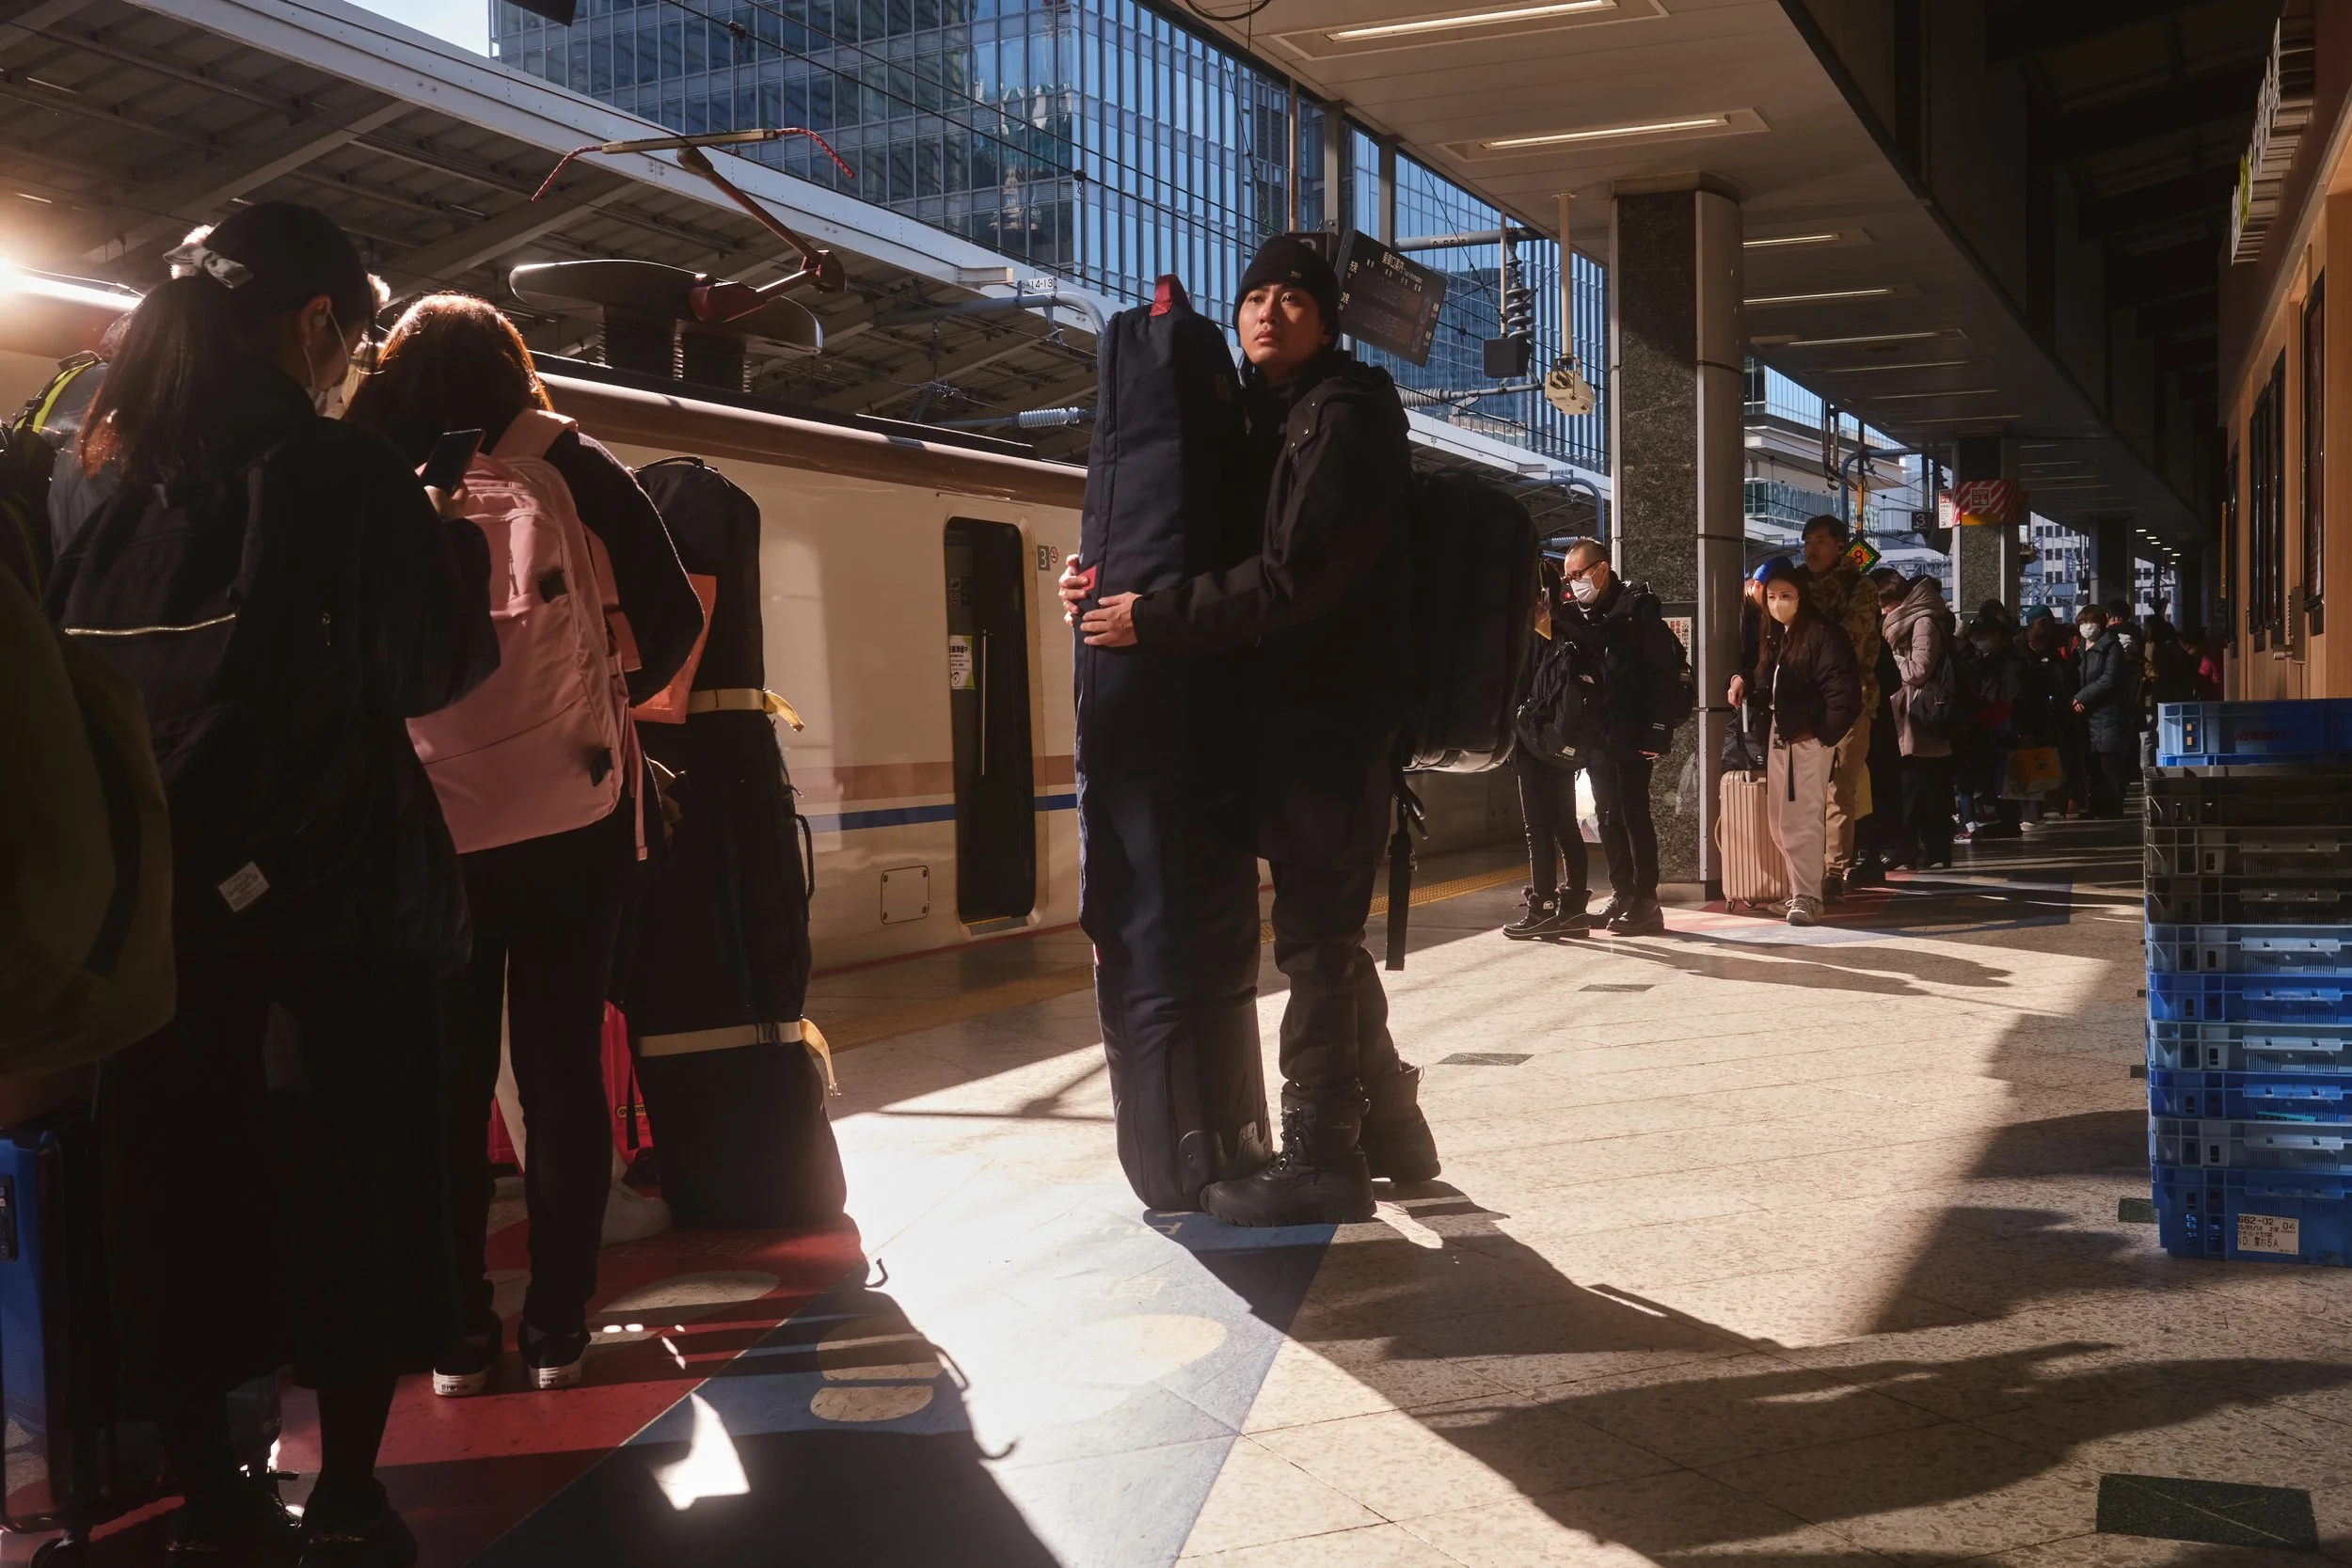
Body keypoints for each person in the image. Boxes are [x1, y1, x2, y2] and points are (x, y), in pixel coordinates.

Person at [48, 202, 498, 1565]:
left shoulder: (91, 472)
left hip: (146, 923)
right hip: (325, 910)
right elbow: (432, 668)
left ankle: (211, 1494)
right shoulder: (338, 470)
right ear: (314, 322)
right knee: (348, 1194)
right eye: (352, 339)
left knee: (171, 1204)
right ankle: (350, 1494)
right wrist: (449, 543)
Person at [345, 294, 704, 1397]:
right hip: (570, 818)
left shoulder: (364, 472)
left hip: (430, 826)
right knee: (557, 1076)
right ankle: (556, 1325)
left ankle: (458, 1335)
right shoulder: (573, 462)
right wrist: (596, 692)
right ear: (516, 368)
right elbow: (678, 620)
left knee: (445, 1087)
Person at [1067, 233, 1433, 1227]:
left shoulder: (1344, 416)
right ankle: (1394, 1125)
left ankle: (1323, 1151)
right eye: (1254, 297)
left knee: (1316, 943)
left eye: (1291, 299)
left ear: (1326, 318)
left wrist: (1153, 617)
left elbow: (1291, 577)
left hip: (1330, 721)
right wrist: (1099, 580)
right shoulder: (1270, 419)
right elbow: (1201, 541)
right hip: (1286, 721)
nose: (1267, 311)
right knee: (1327, 940)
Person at [1550, 536, 1684, 935]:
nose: (1574, 583)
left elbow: (1662, 676)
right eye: (1568, 577)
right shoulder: (1578, 615)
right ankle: (1622, 890)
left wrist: (1658, 731)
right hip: (1597, 735)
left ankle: (1646, 899)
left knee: (1633, 814)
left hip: (1632, 733)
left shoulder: (1636, 612)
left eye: (1579, 574)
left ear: (1603, 570)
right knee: (1605, 815)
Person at [1744, 561, 1859, 926]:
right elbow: (1766, 677)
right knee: (1780, 822)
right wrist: (1742, 681)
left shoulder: (1823, 634)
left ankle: (1809, 897)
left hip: (1806, 740)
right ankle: (1799, 890)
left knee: (1802, 819)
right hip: (1783, 733)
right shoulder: (1779, 632)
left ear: (1801, 596)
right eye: (1772, 596)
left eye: (1786, 596)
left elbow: (1844, 695)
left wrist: (1820, 732)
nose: (1777, 603)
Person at [1506, 558, 1593, 939]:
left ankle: (1542, 906)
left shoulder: (1532, 633)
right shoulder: (1571, 627)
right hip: (1562, 743)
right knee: (1564, 826)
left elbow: (1518, 691)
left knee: (1537, 828)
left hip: (1532, 742)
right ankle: (1573, 908)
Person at [1794, 515, 1881, 898]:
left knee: (1838, 789)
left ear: (1840, 546)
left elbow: (1853, 643)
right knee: (1799, 790)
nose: (1811, 548)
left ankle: (1832, 869)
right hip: (1798, 701)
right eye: (1807, 540)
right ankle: (1802, 865)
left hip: (1850, 700)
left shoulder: (1859, 587)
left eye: (1821, 541)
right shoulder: (1793, 583)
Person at [1878, 571, 1955, 869]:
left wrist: (1890, 657)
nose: (1883, 611)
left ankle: (1917, 849)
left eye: (1886, 605)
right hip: (1909, 715)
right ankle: (1926, 850)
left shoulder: (1922, 621)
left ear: (1901, 602)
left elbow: (1918, 670)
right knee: (1919, 787)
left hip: (1920, 716)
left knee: (1918, 788)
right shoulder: (1912, 621)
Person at [2074, 604, 2137, 816]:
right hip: (2088, 715)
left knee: (2109, 763)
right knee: (2093, 766)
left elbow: (2109, 679)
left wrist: (2081, 696)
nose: (2087, 626)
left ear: (2102, 623)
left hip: (2108, 713)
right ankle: (2095, 807)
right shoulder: (2081, 648)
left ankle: (2112, 807)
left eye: (2091, 621)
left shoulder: (2112, 647)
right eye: (2083, 622)